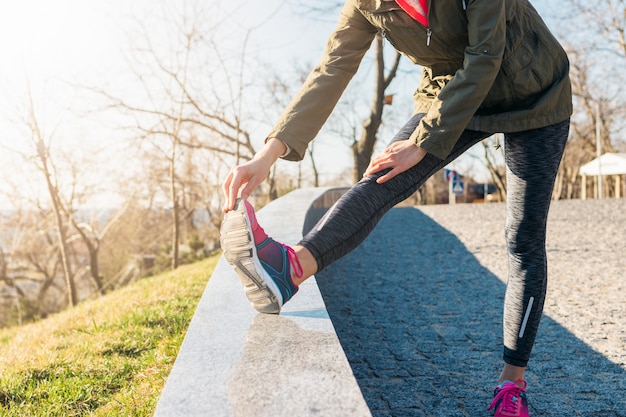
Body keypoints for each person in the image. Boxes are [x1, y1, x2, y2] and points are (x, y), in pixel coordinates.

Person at [220, 0, 572, 415]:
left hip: (534, 97)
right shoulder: (364, 4)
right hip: (452, 91)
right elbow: (333, 68)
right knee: (383, 175)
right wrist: (268, 154)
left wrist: (422, 141)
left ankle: (511, 385)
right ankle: (289, 269)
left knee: (522, 238)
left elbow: (485, 55)